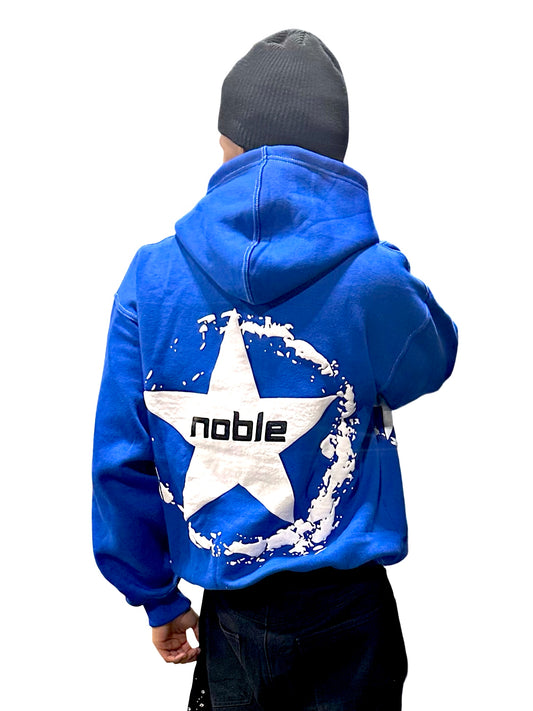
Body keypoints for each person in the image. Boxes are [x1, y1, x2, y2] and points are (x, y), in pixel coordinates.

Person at [92, 29, 458, 710]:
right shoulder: (373, 278)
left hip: (231, 611)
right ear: (332, 156)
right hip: (352, 608)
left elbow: (121, 455)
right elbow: (428, 363)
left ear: (227, 145)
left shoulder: (153, 275)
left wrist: (155, 595)